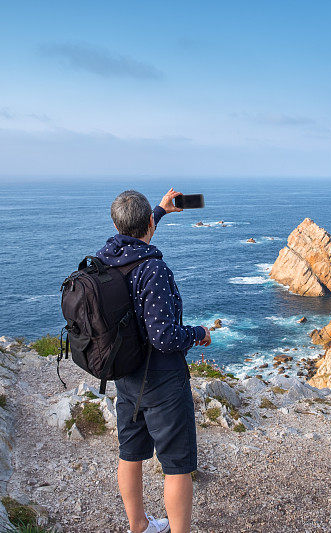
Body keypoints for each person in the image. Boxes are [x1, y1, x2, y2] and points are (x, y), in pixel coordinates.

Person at [96, 188, 211, 533]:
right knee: (177, 465)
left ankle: (139, 526)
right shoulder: (152, 269)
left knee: (129, 453)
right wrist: (198, 332)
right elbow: (164, 337)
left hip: (125, 374)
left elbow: (133, 235)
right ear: (146, 223)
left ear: (116, 223)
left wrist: (159, 211)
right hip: (161, 379)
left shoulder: (105, 258)